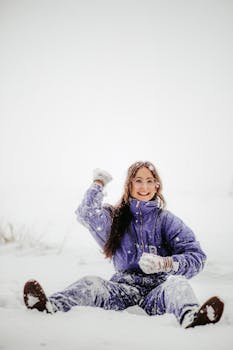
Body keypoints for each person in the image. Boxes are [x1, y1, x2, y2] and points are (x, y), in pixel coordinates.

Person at [23, 161, 224, 328]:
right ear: (129, 185)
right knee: (91, 283)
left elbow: (197, 257)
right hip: (122, 291)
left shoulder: (167, 221)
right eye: (138, 181)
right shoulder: (115, 218)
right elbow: (86, 214)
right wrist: (98, 183)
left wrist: (166, 263)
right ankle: (50, 306)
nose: (144, 187)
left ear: (156, 186)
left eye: (149, 181)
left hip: (157, 292)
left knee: (178, 285)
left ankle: (192, 318)